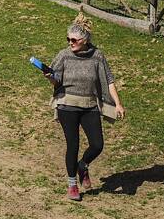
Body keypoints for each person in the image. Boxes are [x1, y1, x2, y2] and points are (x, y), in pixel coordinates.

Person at [46, 13, 125, 201]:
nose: (70, 43)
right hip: (67, 104)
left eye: (74, 40)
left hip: (89, 105)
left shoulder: (97, 56)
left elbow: (109, 80)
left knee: (97, 144)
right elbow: (56, 78)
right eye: (68, 39)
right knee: (73, 144)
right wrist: (50, 77)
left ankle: (83, 165)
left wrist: (118, 103)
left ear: (84, 40)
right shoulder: (64, 55)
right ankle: (72, 185)